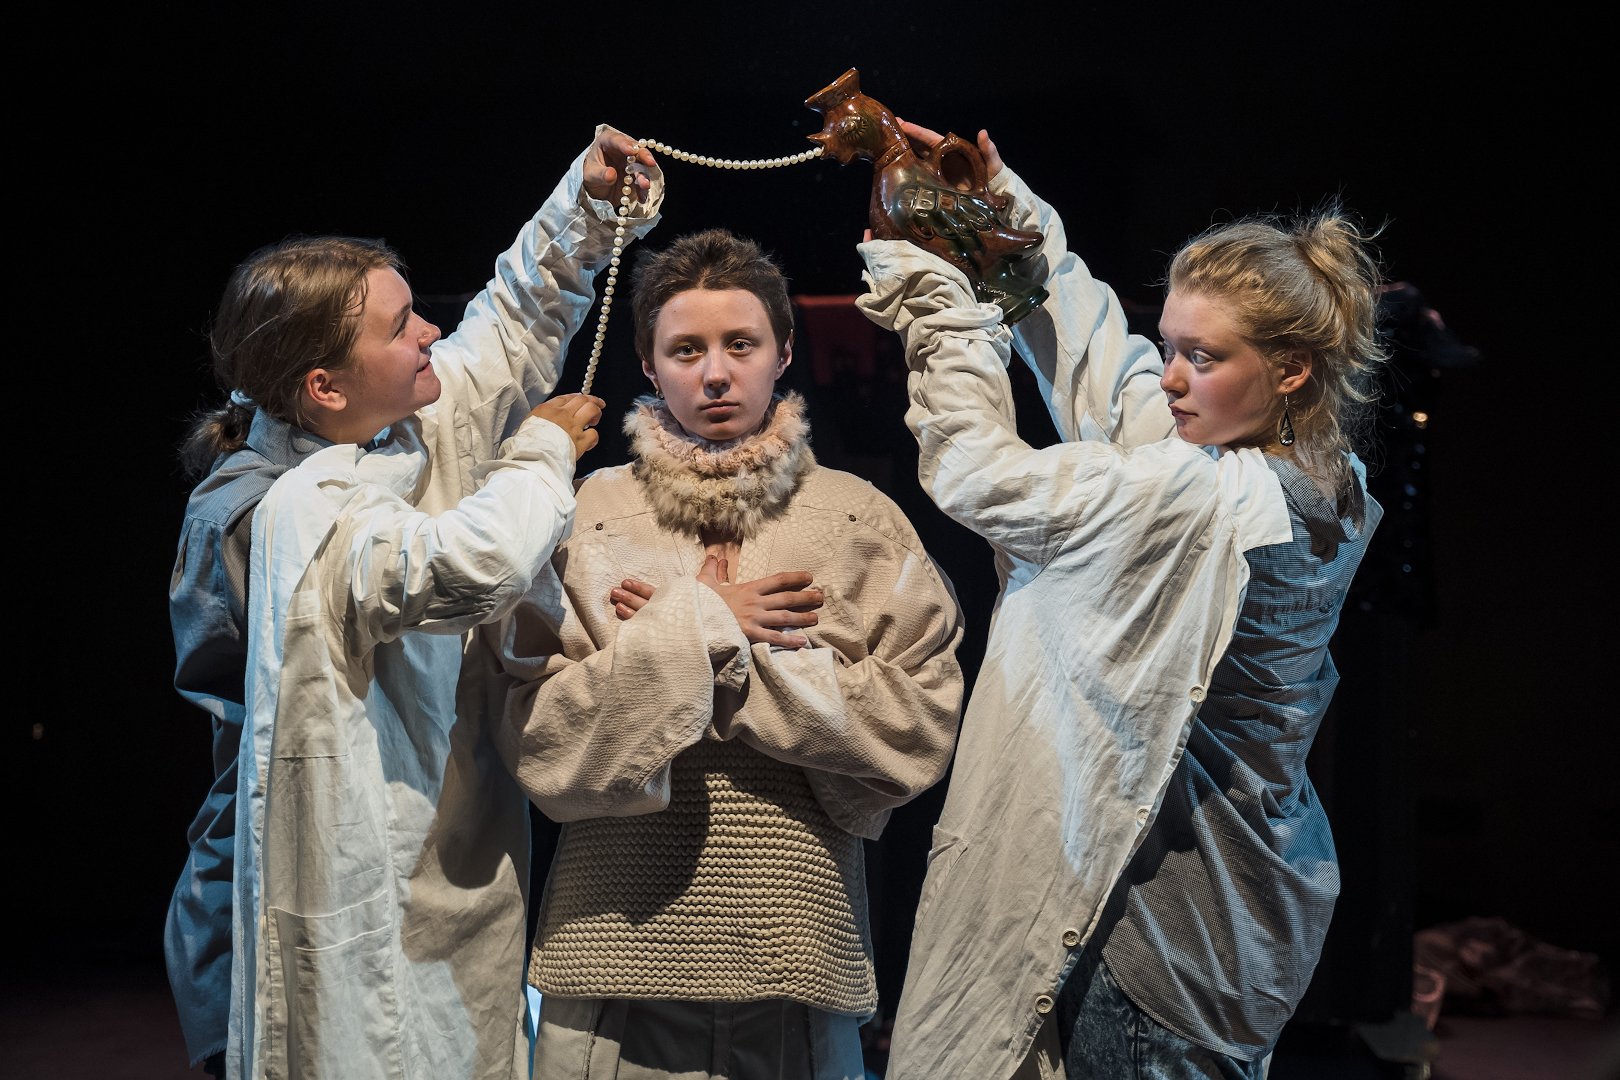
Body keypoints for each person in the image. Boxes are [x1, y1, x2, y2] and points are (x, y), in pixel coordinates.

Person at [854, 121, 1387, 1080]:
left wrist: (938, 301)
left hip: (1162, 935)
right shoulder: (1325, 473)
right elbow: (1117, 378)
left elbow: (980, 474)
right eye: (1171, 344)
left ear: (1291, 369)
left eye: (1204, 358)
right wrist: (1015, 231)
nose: (1174, 375)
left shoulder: (1205, 499)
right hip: (1235, 923)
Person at [162, 124, 664, 1080]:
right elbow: (455, 568)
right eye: (400, 328)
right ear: (323, 386)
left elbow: (507, 327)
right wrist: (539, 454)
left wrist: (588, 204)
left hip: (436, 840)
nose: (430, 331)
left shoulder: (386, 427)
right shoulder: (269, 513)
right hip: (304, 854)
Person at [487, 227, 966, 1080]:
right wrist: (709, 627)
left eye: (740, 344)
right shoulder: (582, 516)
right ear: (648, 363)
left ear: (784, 352)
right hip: (611, 956)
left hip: (796, 954)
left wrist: (711, 652)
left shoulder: (857, 518)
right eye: (687, 349)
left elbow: (918, 729)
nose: (715, 373)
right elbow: (538, 739)